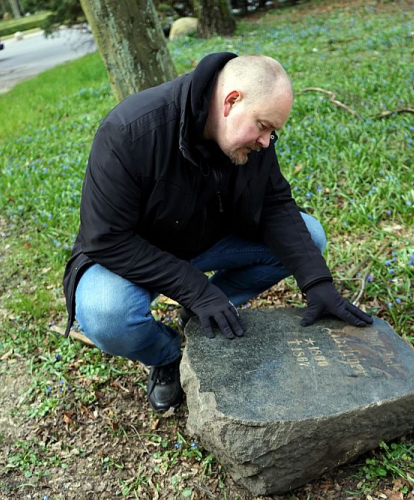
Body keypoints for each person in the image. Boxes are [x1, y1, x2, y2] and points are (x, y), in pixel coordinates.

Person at [63, 52, 373, 412]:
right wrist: (193, 287)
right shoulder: (130, 131)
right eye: (263, 126)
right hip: (132, 253)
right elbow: (106, 238)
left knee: (311, 237)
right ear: (231, 101)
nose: (266, 142)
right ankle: (167, 355)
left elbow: (274, 202)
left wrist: (317, 282)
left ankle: (202, 315)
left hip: (206, 240)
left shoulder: (251, 138)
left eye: (274, 132)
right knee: (105, 315)